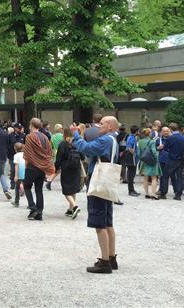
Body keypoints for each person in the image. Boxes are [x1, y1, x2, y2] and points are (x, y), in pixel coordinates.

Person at [71, 116, 120, 274]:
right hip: (107, 183)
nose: (98, 126)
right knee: (108, 222)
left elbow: (86, 148)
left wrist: (76, 134)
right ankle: (111, 257)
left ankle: (104, 262)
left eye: (102, 123)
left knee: (99, 223)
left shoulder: (105, 140)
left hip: (98, 183)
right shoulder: (113, 140)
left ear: (110, 126)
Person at [23, 118, 55, 220]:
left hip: (32, 167)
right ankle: (39, 212)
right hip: (42, 168)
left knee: (27, 186)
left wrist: (25, 166)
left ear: (31, 125)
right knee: (39, 190)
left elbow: (27, 154)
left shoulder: (29, 137)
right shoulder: (45, 137)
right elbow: (49, 152)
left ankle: (33, 208)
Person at [51, 127, 82, 218]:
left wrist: (56, 168)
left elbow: (59, 158)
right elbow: (83, 156)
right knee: (73, 190)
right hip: (76, 169)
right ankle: (70, 210)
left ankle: (75, 206)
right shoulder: (77, 143)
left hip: (66, 169)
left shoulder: (63, 144)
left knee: (66, 190)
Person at [159, 123, 184, 200]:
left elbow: (165, 148)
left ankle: (163, 193)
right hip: (180, 159)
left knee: (165, 176)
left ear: (170, 129)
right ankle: (178, 194)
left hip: (172, 159)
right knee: (179, 177)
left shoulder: (171, 138)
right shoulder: (182, 137)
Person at [137, 128, 162, 199]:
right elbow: (154, 152)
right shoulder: (151, 141)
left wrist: (142, 158)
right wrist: (156, 158)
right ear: (149, 134)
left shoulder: (140, 141)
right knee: (154, 178)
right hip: (152, 161)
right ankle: (153, 193)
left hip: (144, 161)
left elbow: (138, 153)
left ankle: (147, 193)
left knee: (145, 178)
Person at [7, 123, 25, 189]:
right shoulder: (10, 136)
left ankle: (21, 183)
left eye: (20, 128)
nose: (19, 129)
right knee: (13, 170)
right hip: (12, 155)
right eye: (18, 128)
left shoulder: (23, 135)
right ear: (15, 128)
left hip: (21, 156)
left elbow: (25, 144)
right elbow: (7, 145)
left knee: (21, 169)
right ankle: (12, 183)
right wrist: (8, 155)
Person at [124, 126, 140, 197]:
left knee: (131, 174)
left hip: (132, 158)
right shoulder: (132, 138)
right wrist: (134, 153)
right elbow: (130, 148)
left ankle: (132, 190)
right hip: (132, 158)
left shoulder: (131, 137)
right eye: (138, 131)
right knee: (131, 175)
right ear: (136, 131)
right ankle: (130, 191)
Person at [11, 142, 25, 207]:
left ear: (15, 149)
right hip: (26, 172)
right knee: (27, 188)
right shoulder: (25, 154)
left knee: (17, 187)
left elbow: (16, 166)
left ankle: (16, 202)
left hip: (19, 173)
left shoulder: (16, 155)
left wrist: (16, 176)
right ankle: (30, 203)